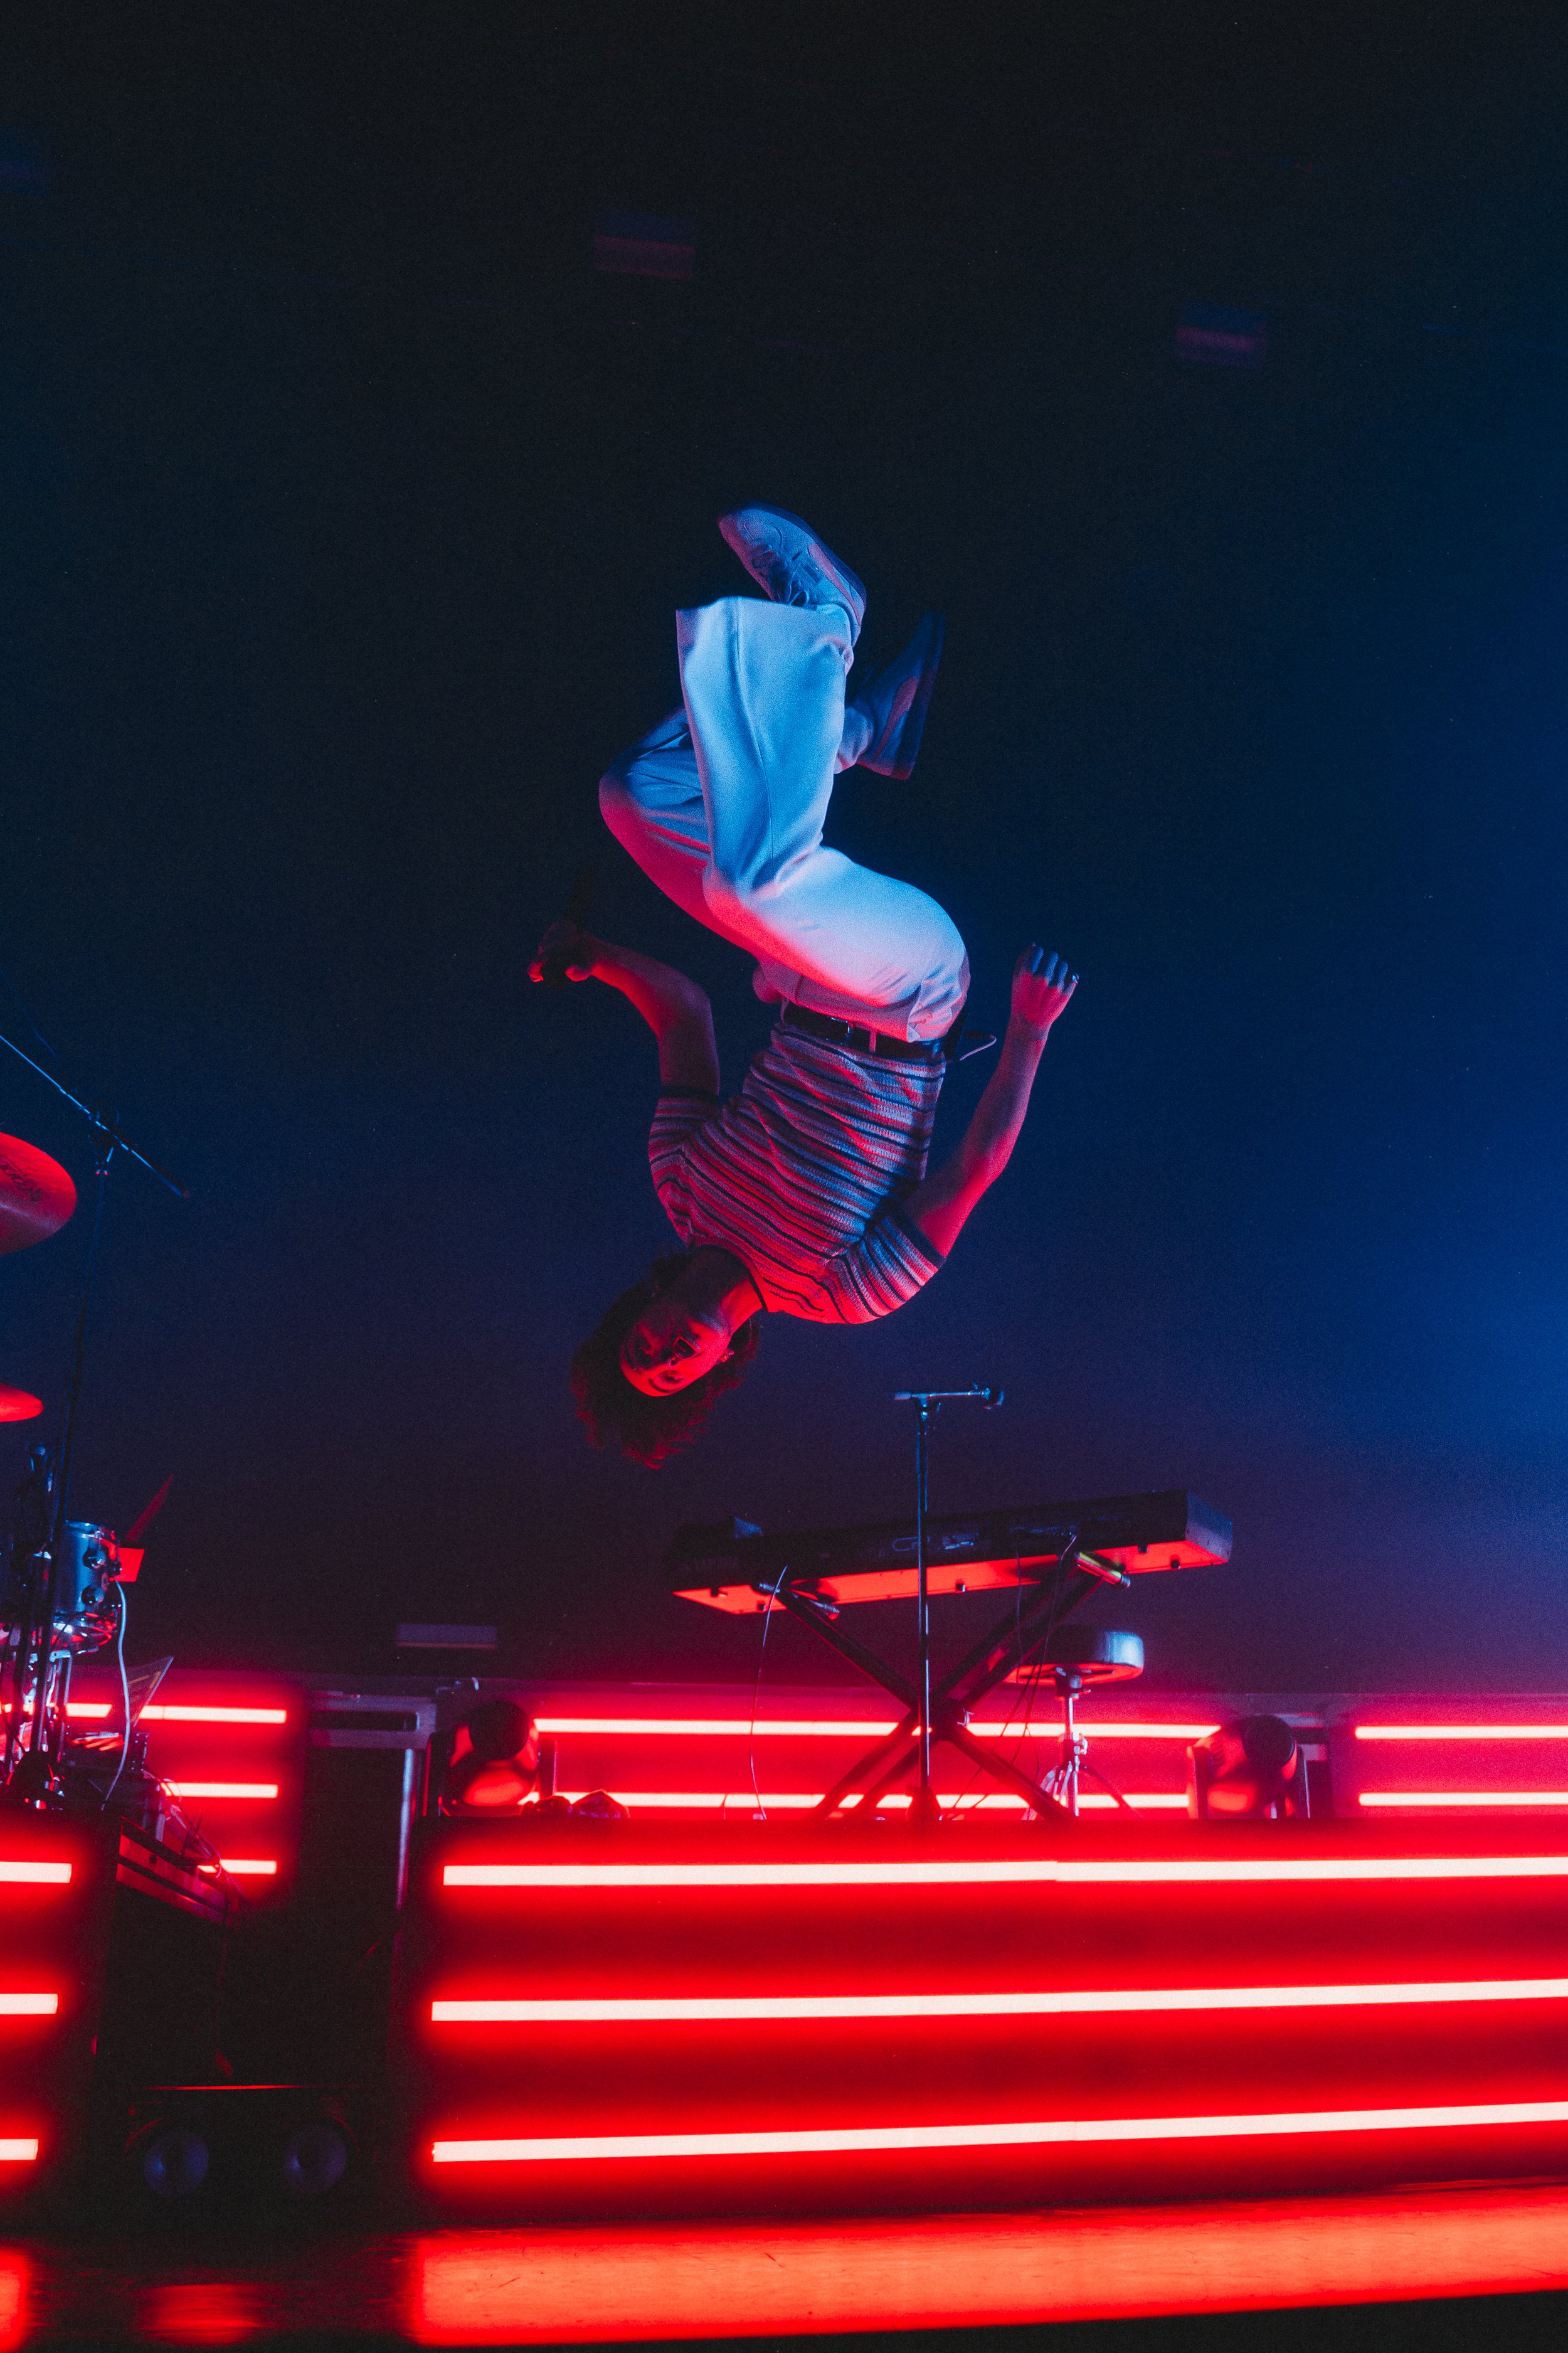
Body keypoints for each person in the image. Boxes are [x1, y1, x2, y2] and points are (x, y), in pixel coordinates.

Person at [531, 507, 1078, 1466]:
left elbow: (686, 1012)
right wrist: (1028, 1034)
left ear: (640, 1307)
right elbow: (972, 1172)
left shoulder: (683, 1186)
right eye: (670, 1371)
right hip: (909, 994)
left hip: (799, 975)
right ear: (715, 1368)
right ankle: (823, 614)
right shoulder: (841, 1294)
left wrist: (596, 954)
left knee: (635, 796)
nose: (664, 1349)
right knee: (750, 881)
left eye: (640, 1346)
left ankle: (855, 729)